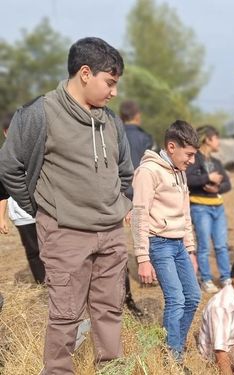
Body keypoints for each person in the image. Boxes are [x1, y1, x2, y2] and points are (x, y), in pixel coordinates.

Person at [0, 37, 132, 374]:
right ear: (85, 73)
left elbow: (125, 171)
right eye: (110, 82)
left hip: (112, 233)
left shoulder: (111, 120)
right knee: (65, 314)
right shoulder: (39, 114)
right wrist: (42, 209)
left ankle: (110, 369)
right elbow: (9, 166)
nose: (114, 92)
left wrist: (122, 203)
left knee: (109, 309)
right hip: (65, 233)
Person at [132, 120, 201, 368]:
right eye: (189, 154)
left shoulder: (179, 171)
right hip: (158, 244)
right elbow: (139, 213)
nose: (192, 161)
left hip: (179, 245)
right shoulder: (148, 172)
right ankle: (174, 361)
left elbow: (185, 213)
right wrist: (142, 258)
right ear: (172, 146)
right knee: (176, 299)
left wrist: (191, 249)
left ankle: (174, 345)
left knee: (193, 296)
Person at [0, 112, 45, 284]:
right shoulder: (3, 159)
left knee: (51, 248)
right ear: (5, 132)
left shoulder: (37, 152)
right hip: (21, 215)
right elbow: (2, 193)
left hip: (43, 210)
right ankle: (43, 282)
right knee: (33, 250)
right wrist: (1, 218)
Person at [186, 125, 232, 294]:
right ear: (208, 139)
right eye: (216, 138)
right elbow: (187, 178)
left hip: (218, 208)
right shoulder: (193, 159)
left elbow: (228, 184)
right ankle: (205, 279)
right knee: (204, 246)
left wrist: (217, 188)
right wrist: (207, 177)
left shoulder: (216, 162)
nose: (219, 142)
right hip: (199, 207)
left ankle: (226, 277)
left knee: (221, 245)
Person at [120, 99, 154, 317]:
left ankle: (126, 294)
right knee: (146, 236)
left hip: (119, 195)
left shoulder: (114, 134)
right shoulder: (145, 137)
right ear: (137, 115)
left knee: (119, 247)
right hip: (142, 192)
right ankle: (148, 275)